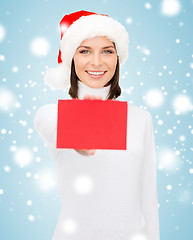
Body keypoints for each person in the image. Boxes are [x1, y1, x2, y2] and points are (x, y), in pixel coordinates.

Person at [34, 10, 160, 240]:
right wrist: (79, 136)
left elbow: (148, 197)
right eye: (84, 51)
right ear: (71, 58)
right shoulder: (51, 114)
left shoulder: (141, 119)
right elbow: (54, 128)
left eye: (107, 51)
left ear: (117, 57)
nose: (97, 62)